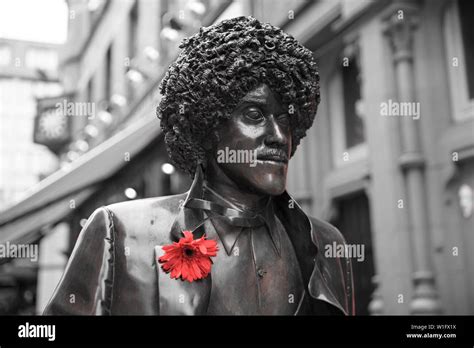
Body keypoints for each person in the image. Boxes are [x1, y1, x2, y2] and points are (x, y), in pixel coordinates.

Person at [44, 16, 354, 315]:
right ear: (207, 127)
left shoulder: (327, 244)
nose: (278, 136)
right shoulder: (119, 231)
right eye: (254, 115)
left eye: (285, 118)